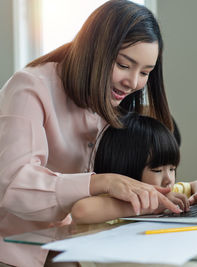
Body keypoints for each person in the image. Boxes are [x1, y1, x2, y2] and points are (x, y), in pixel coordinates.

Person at [0, 1, 181, 266]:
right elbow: (14, 185)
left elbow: (138, 175)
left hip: (79, 246)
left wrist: (188, 191)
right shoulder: (31, 87)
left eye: (145, 72)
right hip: (16, 251)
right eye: (123, 64)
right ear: (95, 51)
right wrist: (100, 182)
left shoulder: (120, 101)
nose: (132, 82)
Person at [71, 113, 197, 224]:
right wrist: (153, 206)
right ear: (126, 170)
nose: (168, 179)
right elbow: (81, 211)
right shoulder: (113, 202)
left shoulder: (168, 193)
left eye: (172, 169)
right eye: (157, 170)